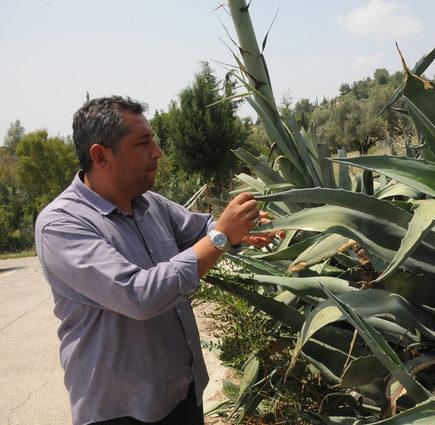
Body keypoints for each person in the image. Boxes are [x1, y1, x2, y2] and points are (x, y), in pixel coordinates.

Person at [35, 96, 274, 425]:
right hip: (122, 412)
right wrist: (221, 237)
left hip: (182, 394)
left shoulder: (150, 204)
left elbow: (201, 229)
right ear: (101, 155)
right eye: (143, 142)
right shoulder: (62, 224)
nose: (157, 152)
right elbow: (137, 295)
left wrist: (238, 232)